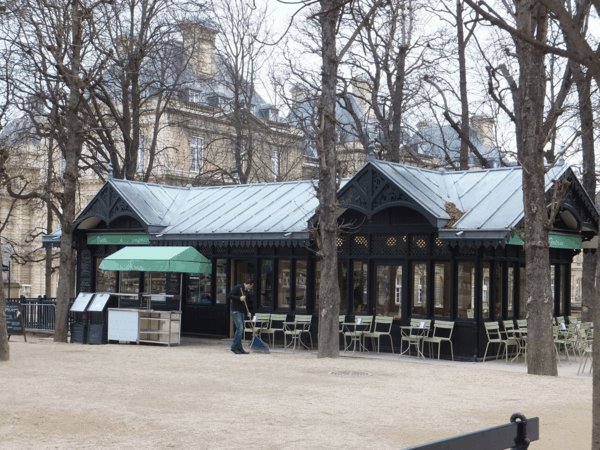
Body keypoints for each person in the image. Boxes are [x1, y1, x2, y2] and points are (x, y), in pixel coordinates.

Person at [227, 278, 254, 354]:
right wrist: (239, 298)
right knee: (240, 328)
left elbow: (246, 303)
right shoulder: (238, 287)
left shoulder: (246, 291)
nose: (251, 288)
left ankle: (240, 348)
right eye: (251, 286)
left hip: (242, 312)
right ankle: (234, 347)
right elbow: (229, 296)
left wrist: (248, 312)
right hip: (235, 311)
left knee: (240, 330)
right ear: (248, 284)